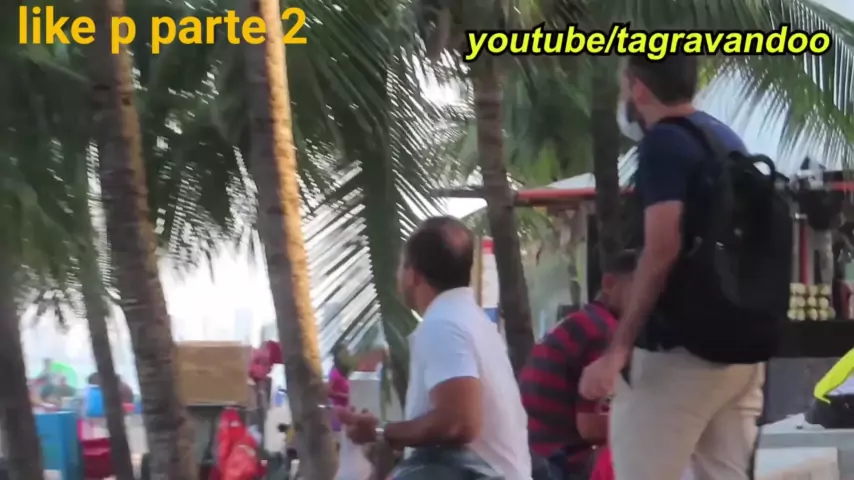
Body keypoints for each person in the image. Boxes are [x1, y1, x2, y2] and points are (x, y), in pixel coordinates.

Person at [580, 55, 765, 480]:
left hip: (679, 355)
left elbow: (662, 247)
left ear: (638, 87)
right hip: (738, 350)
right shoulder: (724, 138)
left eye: (625, 85)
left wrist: (618, 348)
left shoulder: (664, 142)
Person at [337, 216, 532, 480]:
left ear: (413, 275)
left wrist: (386, 432)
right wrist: (383, 434)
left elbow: (459, 422)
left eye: (401, 264)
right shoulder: (470, 319)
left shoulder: (443, 324)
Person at [520, 250, 637, 480]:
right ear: (609, 284)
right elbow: (589, 427)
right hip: (563, 461)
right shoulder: (604, 332)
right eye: (641, 288)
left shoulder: (581, 321)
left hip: (534, 451)